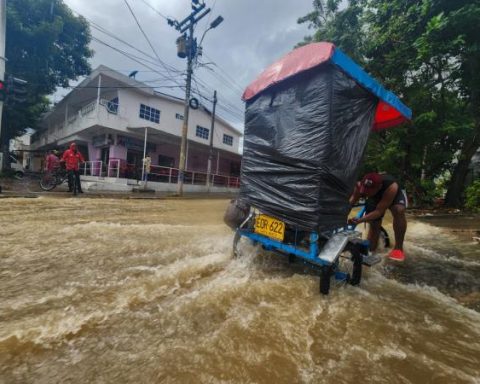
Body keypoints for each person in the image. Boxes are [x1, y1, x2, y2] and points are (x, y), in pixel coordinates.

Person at [349, 172, 408, 261]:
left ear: (379, 187)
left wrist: (360, 220)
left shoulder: (392, 187)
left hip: (392, 194)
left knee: (398, 210)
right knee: (374, 223)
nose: (365, 192)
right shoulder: (359, 186)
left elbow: (379, 211)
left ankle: (398, 248)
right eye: (364, 189)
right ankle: (371, 250)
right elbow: (351, 203)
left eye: (368, 191)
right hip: (375, 197)